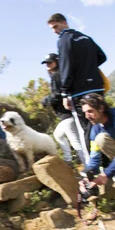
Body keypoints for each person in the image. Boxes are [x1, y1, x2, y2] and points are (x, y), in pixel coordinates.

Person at [46, 13, 107, 159]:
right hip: (97, 87)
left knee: (85, 129)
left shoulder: (64, 40)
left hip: (80, 92)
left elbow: (65, 66)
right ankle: (111, 160)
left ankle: (94, 166)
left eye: (56, 26)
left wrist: (65, 93)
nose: (55, 30)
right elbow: (102, 56)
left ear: (64, 23)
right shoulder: (85, 37)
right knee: (102, 122)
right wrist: (88, 68)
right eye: (52, 28)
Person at [40, 53, 85, 166]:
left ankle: (88, 167)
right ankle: (68, 159)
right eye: (46, 63)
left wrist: (45, 101)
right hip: (68, 114)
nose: (48, 66)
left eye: (50, 62)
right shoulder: (64, 74)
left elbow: (57, 96)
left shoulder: (56, 75)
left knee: (76, 142)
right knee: (58, 135)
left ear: (57, 62)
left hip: (66, 115)